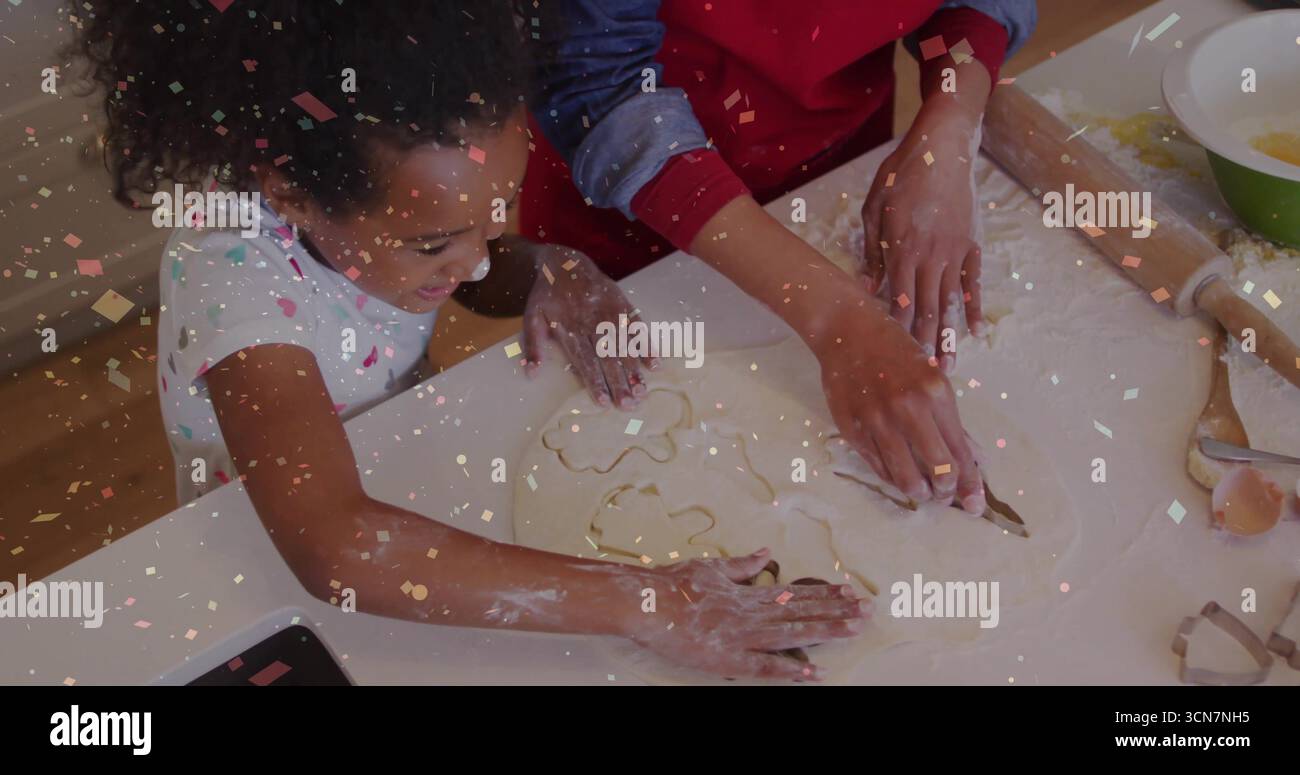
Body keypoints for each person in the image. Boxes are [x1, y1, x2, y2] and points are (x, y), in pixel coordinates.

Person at [65, 1, 868, 680]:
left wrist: (546, 268)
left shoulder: (382, 207)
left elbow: (479, 274)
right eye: (436, 243)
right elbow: (336, 546)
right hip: (270, 553)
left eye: (497, 218)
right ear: (289, 193)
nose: (477, 256)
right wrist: (646, 599)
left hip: (402, 477)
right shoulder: (231, 282)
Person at [525, 0, 1037, 513]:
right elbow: (598, 83)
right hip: (643, 219)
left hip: (835, 170)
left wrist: (950, 126)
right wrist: (843, 322)